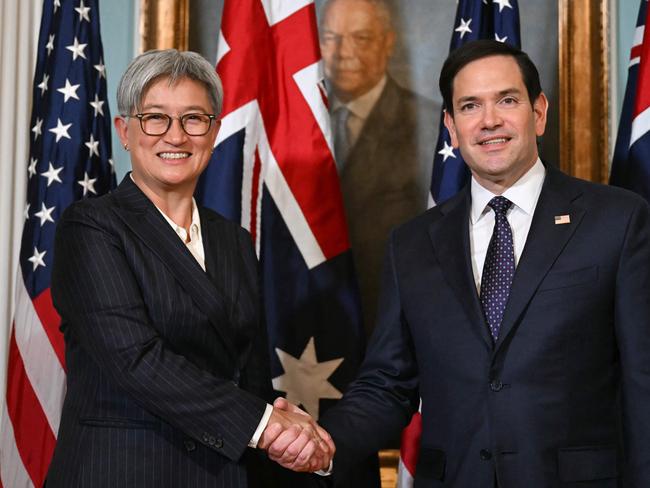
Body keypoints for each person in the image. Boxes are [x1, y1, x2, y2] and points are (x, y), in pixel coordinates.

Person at [272, 40, 650, 486]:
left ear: (539, 111)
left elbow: (643, 380)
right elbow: (388, 384)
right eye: (470, 106)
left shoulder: (616, 220)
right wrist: (325, 442)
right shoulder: (411, 244)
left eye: (507, 100)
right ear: (451, 126)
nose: (489, 120)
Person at [46, 49, 332, 487]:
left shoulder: (233, 240)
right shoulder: (91, 227)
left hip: (219, 474)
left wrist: (291, 425)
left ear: (214, 132)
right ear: (125, 131)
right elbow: (136, 360)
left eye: (194, 119)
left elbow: (243, 376)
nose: (175, 136)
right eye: (155, 118)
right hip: (123, 473)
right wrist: (266, 425)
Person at [319, 0, 437, 336]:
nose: (343, 52)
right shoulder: (293, 122)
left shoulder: (430, 126)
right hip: (306, 322)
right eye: (331, 37)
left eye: (361, 38)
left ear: (387, 43)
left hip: (393, 322)